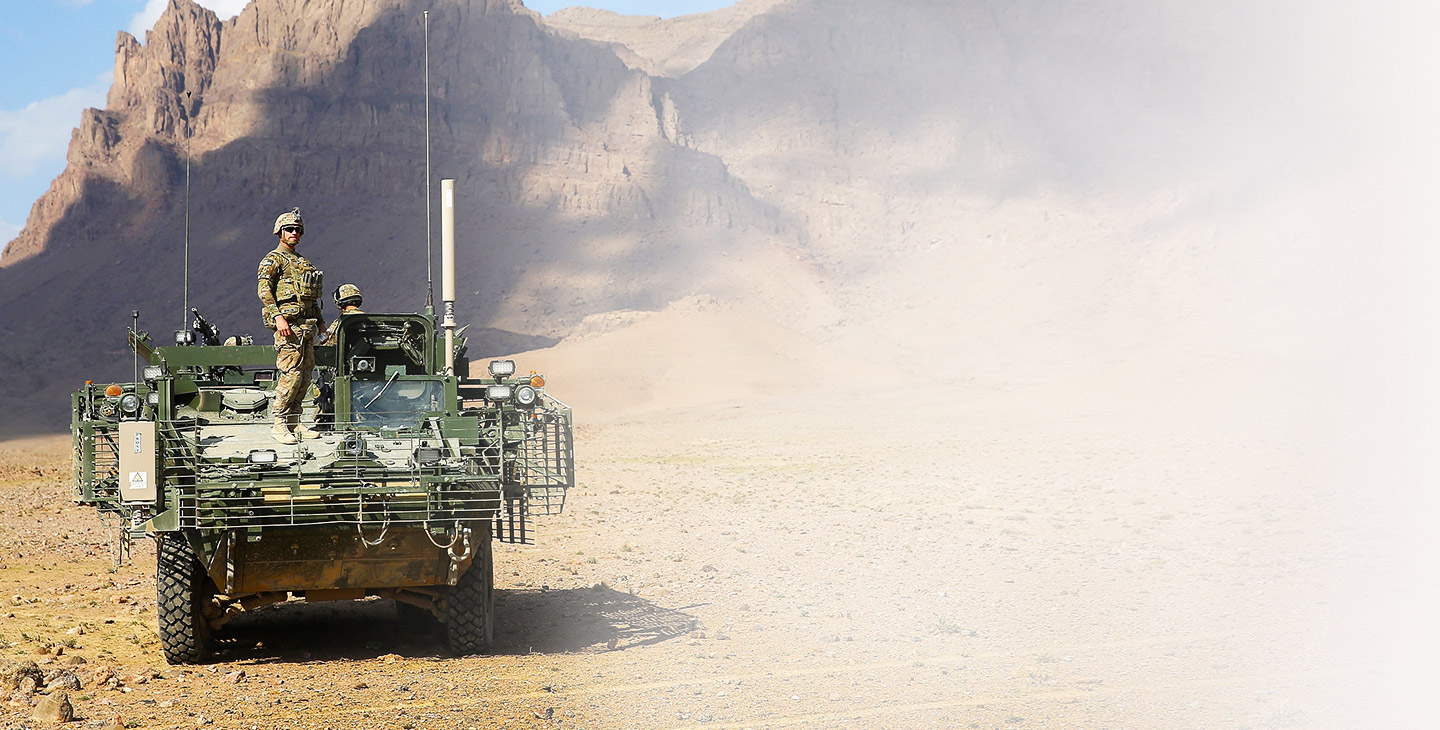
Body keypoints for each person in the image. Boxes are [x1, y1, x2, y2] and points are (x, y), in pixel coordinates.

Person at [257, 208, 325, 444]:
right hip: (289, 327)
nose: (294, 233)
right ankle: (279, 423)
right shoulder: (272, 259)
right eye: (289, 229)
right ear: (279, 232)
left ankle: (295, 421)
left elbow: (311, 297)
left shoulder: (303, 262)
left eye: (297, 230)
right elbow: (264, 290)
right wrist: (278, 317)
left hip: (307, 327)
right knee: (291, 375)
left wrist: (322, 323)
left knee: (305, 376)